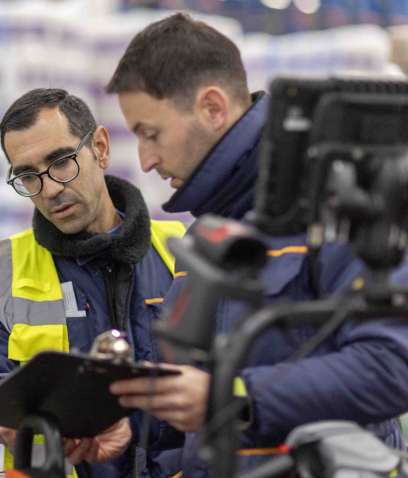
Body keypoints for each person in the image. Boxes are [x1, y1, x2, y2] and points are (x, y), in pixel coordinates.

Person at [105, 12, 408, 478]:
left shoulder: (337, 206)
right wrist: (121, 428)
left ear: (212, 107)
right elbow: (198, 410)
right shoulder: (206, 236)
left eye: (151, 133)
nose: (145, 161)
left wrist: (233, 396)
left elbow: (392, 366)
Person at [0, 88, 187, 478]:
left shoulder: (182, 254)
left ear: (101, 148)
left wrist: (137, 423)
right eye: (27, 175)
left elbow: (221, 385)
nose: (49, 189)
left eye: (60, 162)